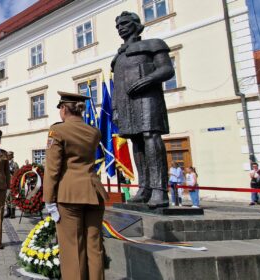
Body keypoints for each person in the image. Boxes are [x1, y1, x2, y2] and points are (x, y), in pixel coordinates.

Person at [111, 11, 175, 208]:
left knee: (150, 136)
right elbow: (116, 85)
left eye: (125, 23)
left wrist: (148, 79)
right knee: (136, 141)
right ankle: (145, 187)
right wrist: (114, 108)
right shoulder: (118, 57)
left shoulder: (153, 44)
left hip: (147, 97)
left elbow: (167, 69)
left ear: (136, 25)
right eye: (118, 25)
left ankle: (160, 190)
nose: (121, 27)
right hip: (125, 102)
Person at [43, 91, 108, 280]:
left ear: (64, 109)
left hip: (69, 194)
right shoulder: (94, 132)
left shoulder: (58, 131)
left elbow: (53, 169)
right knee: (94, 247)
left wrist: (49, 199)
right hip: (93, 192)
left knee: (72, 249)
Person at [4, 151, 19, 219]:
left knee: (12, 198)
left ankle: (13, 213)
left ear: (12, 156)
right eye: (7, 155)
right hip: (6, 183)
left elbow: (17, 173)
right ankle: (8, 212)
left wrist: (11, 170)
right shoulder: (5, 164)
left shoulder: (14, 164)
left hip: (12, 183)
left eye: (9, 155)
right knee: (7, 198)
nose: (8, 156)